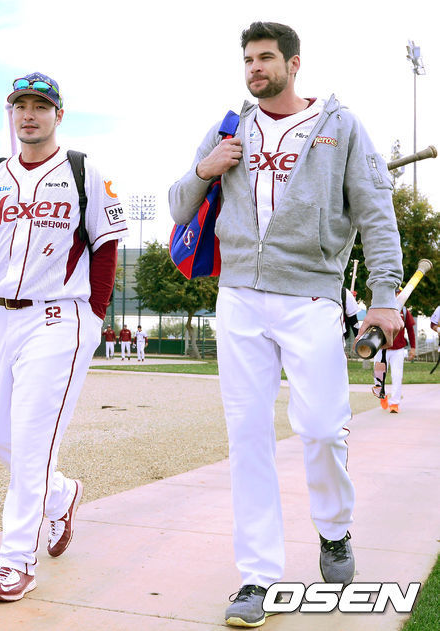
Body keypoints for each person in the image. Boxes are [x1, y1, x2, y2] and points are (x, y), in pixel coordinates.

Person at [169, 22, 403, 628]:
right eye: (248, 59)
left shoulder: (339, 126)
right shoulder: (230, 127)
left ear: (294, 64)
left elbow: (377, 213)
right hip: (239, 296)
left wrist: (384, 297)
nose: (255, 67)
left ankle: (334, 530)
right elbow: (178, 207)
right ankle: (257, 576)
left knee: (322, 428)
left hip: (310, 295)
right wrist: (205, 169)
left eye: (266, 57)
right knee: (247, 436)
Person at [0, 72, 128, 602]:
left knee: (34, 443)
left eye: (41, 105)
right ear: (11, 113)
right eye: (21, 105)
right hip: (3, 319)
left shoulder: (83, 171)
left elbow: (106, 247)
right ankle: (61, 496)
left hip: (60, 317)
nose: (29, 114)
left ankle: (16, 560)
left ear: (58, 114)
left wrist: (94, 316)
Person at [373, 298, 416, 413]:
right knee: (378, 376)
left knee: (397, 375)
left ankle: (395, 403)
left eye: (398, 293)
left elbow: (410, 330)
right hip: (381, 349)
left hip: (398, 349)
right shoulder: (380, 309)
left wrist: (413, 348)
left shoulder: (404, 311)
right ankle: (382, 395)